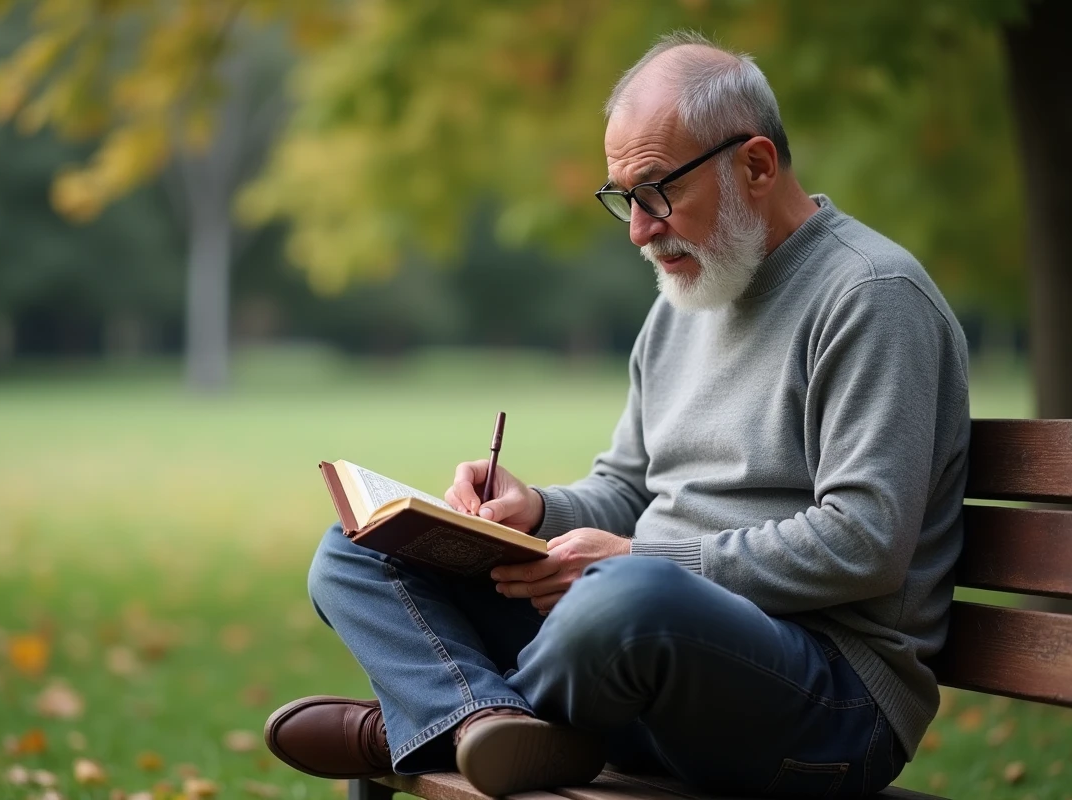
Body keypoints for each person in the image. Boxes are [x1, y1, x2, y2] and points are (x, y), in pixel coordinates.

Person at [265, 30, 969, 799]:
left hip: (827, 701)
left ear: (757, 165)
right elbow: (629, 487)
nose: (639, 229)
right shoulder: (685, 301)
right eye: (624, 199)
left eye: (658, 192)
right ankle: (477, 724)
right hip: (641, 654)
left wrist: (639, 562)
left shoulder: (871, 297)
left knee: (627, 601)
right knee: (358, 548)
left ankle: (422, 722)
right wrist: (535, 511)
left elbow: (864, 543)